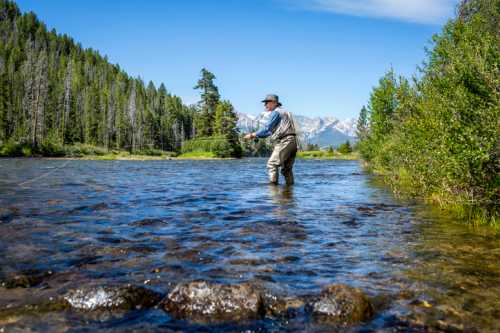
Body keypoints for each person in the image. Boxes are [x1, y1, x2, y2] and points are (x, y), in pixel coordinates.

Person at [244, 94, 298, 185]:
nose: (265, 105)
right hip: (293, 142)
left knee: (272, 164)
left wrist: (252, 135)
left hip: (285, 141)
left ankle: (273, 189)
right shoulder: (285, 112)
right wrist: (257, 136)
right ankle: (289, 193)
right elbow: (269, 133)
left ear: (274, 103)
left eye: (266, 103)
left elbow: (267, 128)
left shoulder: (276, 112)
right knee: (286, 170)